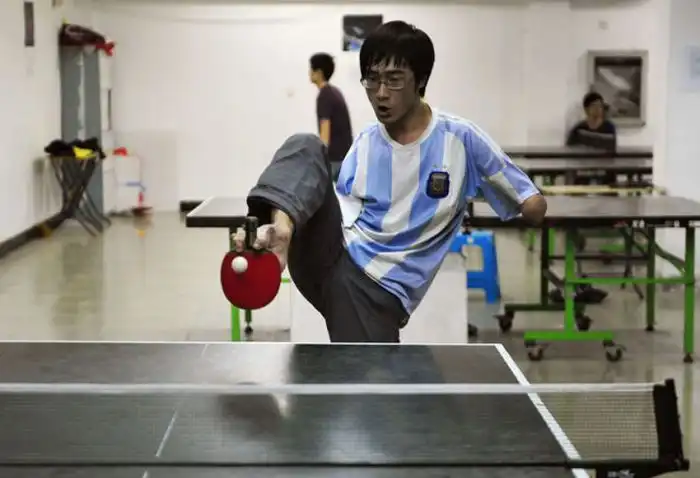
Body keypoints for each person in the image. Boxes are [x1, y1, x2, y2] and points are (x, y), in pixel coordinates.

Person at [235, 21, 547, 343]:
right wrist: (289, 219)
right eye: (372, 80)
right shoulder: (367, 140)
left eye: (394, 80)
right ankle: (281, 231)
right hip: (333, 255)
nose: (381, 93)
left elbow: (533, 205)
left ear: (420, 80)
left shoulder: (461, 139)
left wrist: (504, 192)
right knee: (305, 144)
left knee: (367, 376)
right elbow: (342, 206)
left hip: (376, 291)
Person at [309, 52, 353, 181]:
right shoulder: (334, 92)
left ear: (318, 73)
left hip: (335, 160)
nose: (309, 72)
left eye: (311, 69)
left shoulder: (324, 96)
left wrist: (320, 158)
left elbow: (325, 134)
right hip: (345, 156)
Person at [566, 91, 618, 185]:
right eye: (594, 106)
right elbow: (571, 151)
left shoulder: (609, 128)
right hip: (583, 170)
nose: (598, 109)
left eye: (600, 106)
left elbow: (611, 152)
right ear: (586, 109)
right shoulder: (579, 129)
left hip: (604, 170)